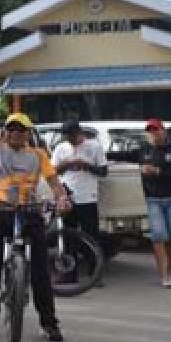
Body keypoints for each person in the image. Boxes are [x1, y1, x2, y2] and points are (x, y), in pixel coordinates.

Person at [0, 82, 72, 342]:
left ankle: (49, 323)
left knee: (40, 271)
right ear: (5, 132)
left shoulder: (38, 155)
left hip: (30, 212)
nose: (15, 133)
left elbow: (54, 181)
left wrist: (61, 197)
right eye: (11, 129)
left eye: (20, 129)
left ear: (27, 133)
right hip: (1, 212)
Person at [113, 119, 171, 287]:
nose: (153, 134)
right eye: (150, 131)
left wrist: (157, 171)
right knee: (158, 236)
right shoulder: (144, 151)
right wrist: (98, 154)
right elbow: (121, 155)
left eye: (156, 130)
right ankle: (163, 276)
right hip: (153, 200)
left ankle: (170, 271)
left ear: (164, 132)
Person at [51, 120, 108, 285]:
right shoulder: (61, 148)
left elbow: (103, 171)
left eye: (73, 136)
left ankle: (95, 273)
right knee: (68, 236)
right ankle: (69, 273)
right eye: (67, 136)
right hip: (67, 196)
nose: (70, 139)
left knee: (91, 236)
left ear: (79, 132)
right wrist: (67, 164)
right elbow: (53, 172)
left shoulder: (94, 146)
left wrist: (86, 165)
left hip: (88, 197)